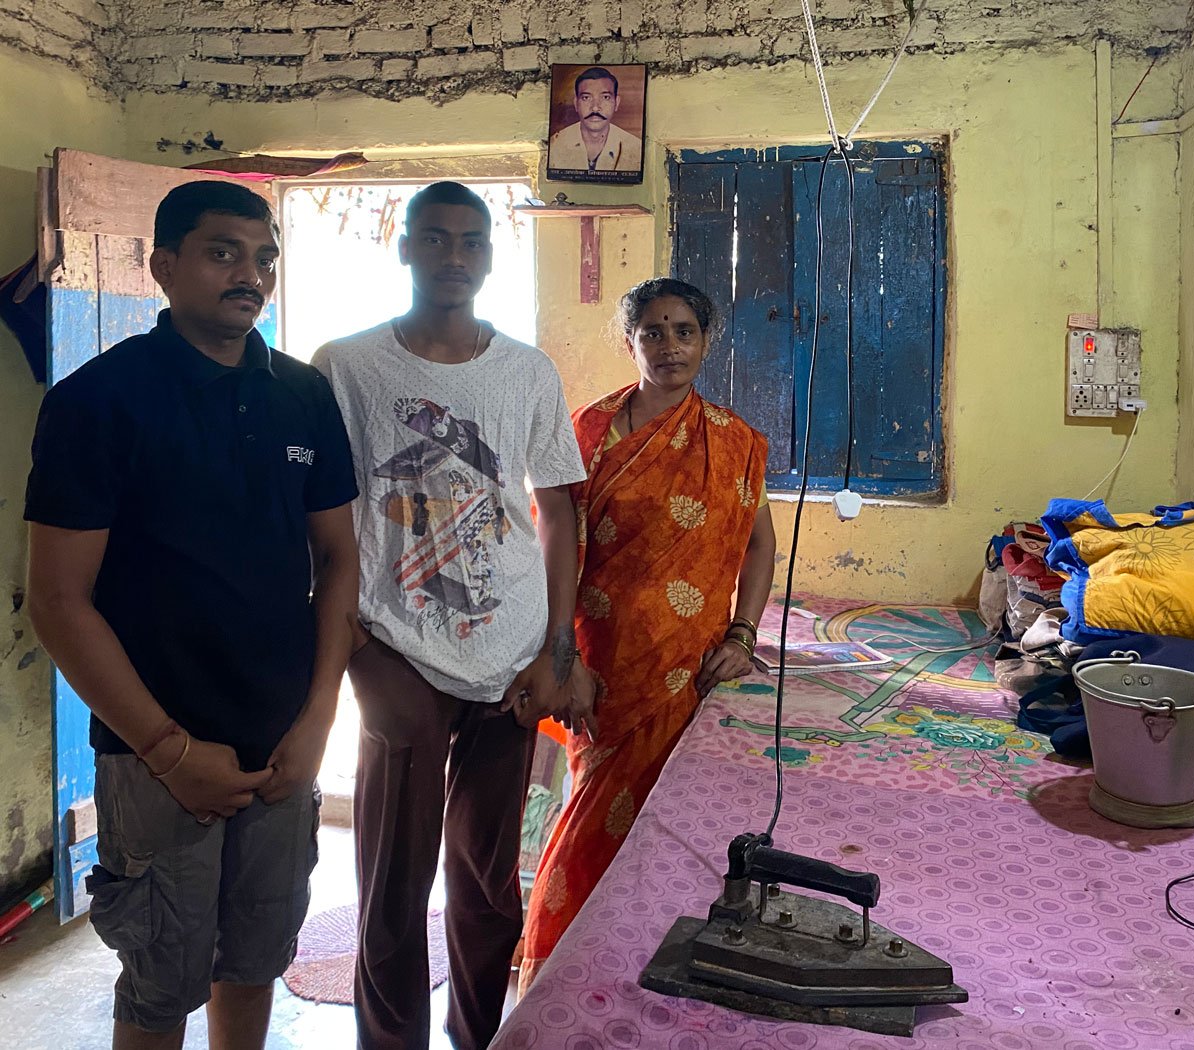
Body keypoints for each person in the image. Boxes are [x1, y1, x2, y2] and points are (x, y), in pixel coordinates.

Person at [25, 180, 360, 1050]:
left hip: (281, 745)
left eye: (265, 258)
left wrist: (319, 720)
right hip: (154, 755)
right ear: (164, 266)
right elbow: (59, 602)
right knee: (160, 979)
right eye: (223, 253)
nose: (251, 275)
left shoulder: (301, 396)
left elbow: (340, 559)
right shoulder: (97, 404)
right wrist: (170, 750)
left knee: (254, 958)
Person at [311, 181, 595, 1050]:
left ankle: (480, 1038)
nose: (455, 258)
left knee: (485, 882)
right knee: (394, 884)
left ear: (489, 257)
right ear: (403, 249)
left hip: (508, 653)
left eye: (472, 243)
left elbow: (559, 512)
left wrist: (556, 647)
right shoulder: (346, 366)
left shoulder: (526, 371)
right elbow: (315, 509)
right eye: (435, 240)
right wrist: (350, 645)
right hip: (397, 647)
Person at [517, 277, 777, 990]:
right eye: (653, 332)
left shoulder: (733, 440)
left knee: (670, 822)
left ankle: (643, 968)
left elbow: (759, 547)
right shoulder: (588, 432)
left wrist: (743, 634)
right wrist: (560, 654)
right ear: (629, 342)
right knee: (594, 812)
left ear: (705, 340)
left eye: (684, 331)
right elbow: (557, 546)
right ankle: (561, 975)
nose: (670, 346)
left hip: (688, 668)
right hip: (602, 662)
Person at [547, 66, 643, 174]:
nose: (595, 108)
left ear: (616, 103)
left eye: (605, 97)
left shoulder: (636, 148)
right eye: (586, 98)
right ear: (576, 104)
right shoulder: (555, 145)